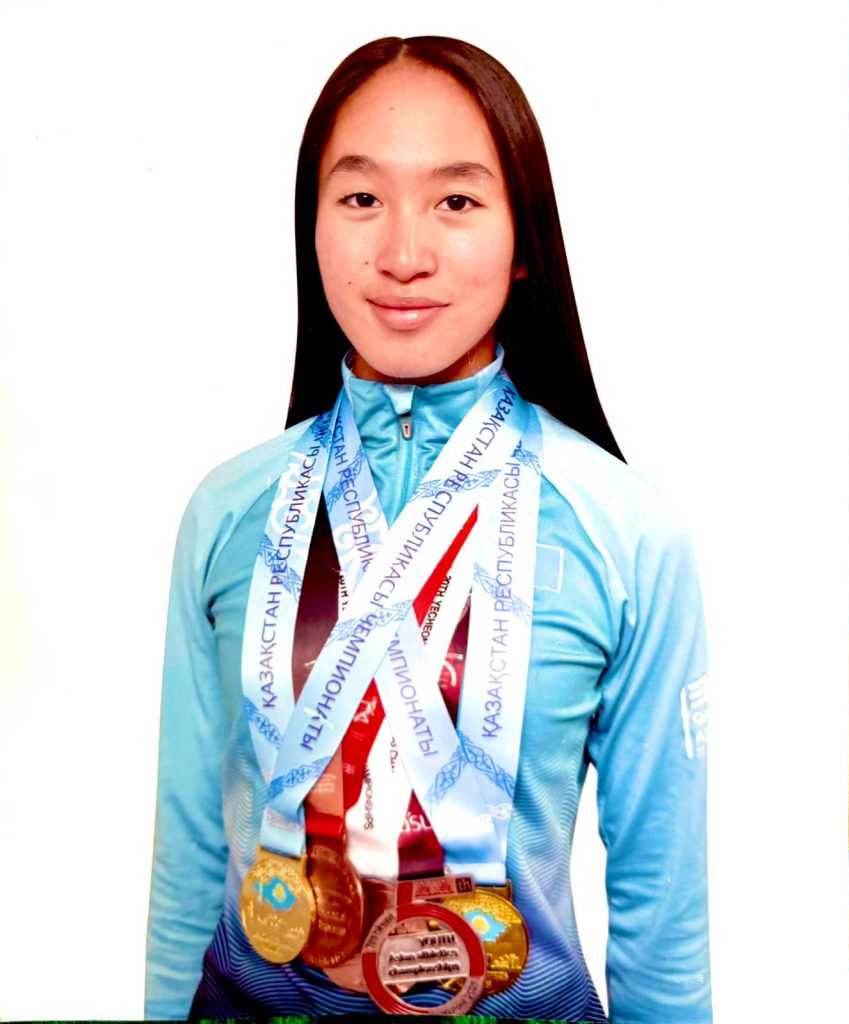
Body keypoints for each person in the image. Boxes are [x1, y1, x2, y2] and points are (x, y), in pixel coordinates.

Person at [145, 35, 711, 1023]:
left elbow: (660, 914)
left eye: (455, 200)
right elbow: (188, 856)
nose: (403, 254)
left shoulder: (627, 534)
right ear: (310, 229)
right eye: (361, 197)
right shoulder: (229, 512)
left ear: (523, 239)